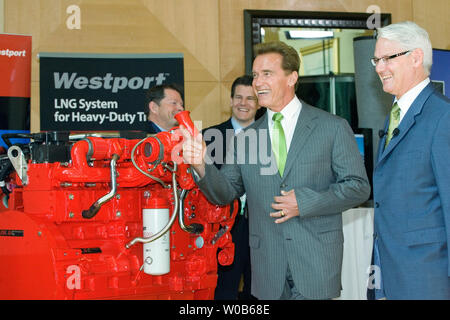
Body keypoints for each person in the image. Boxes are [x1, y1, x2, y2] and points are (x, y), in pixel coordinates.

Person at [180, 41, 370, 300]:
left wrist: (303, 202)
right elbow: (224, 193)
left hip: (315, 261)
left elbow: (358, 186)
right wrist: (201, 164)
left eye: (267, 74)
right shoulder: (245, 139)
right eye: (256, 75)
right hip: (267, 266)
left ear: (292, 77)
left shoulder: (332, 127)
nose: (258, 82)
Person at [369, 21, 450, 300]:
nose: (379, 68)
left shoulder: (443, 117)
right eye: (376, 59)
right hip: (388, 273)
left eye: (388, 58)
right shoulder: (394, 115)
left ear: (416, 57)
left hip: (428, 279)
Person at [202, 75, 259, 300]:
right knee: (222, 292)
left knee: (259, 292)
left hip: (261, 230)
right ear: (231, 100)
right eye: (238, 97)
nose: (243, 103)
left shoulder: (273, 139)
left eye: (250, 98)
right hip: (222, 230)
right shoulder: (207, 137)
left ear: (259, 103)